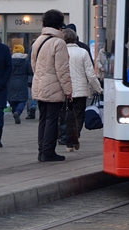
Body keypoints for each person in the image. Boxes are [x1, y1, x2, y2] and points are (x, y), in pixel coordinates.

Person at [30, 10, 72, 163]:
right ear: (60, 24)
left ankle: (42, 150)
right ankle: (48, 152)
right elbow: (62, 69)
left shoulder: (38, 40)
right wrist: (68, 90)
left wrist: (41, 77)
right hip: (54, 86)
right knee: (52, 120)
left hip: (39, 84)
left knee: (43, 119)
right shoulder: (59, 43)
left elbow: (33, 65)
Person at [62, 28, 102, 153]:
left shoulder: (60, 52)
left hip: (64, 89)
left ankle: (67, 140)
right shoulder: (83, 52)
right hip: (80, 90)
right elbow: (90, 73)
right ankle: (75, 137)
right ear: (75, 38)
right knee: (79, 115)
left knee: (65, 115)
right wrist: (98, 88)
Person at [8, 44, 33, 125]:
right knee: (22, 100)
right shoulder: (25, 62)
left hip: (11, 83)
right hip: (22, 83)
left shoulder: (9, 61)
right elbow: (30, 72)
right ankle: (18, 112)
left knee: (12, 100)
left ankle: (15, 111)